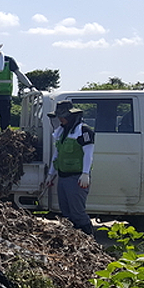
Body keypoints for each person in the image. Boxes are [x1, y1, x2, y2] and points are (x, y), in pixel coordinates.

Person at [46, 100, 95, 235]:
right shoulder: (62, 132)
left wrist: (85, 173)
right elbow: (57, 154)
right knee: (66, 213)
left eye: (63, 117)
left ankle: (89, 240)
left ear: (71, 116)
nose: (60, 119)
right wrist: (51, 174)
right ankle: (74, 240)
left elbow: (88, 154)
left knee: (77, 213)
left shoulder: (84, 131)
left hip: (77, 178)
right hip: (63, 177)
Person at [0, 39, 33, 130]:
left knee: (5, 123)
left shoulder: (8, 60)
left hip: (4, 96)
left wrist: (30, 86)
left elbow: (19, 74)